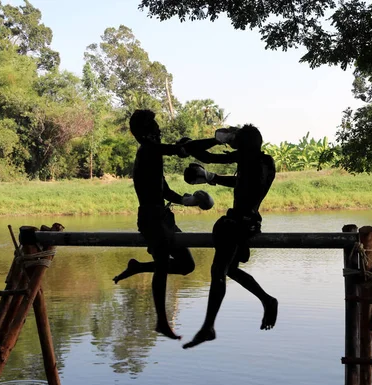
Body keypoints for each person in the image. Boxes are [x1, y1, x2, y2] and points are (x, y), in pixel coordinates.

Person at [112, 109, 216, 340]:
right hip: (150, 219)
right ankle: (161, 321)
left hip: (164, 217)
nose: (159, 131)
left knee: (187, 265)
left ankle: (138, 267)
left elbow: (165, 190)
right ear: (144, 134)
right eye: (154, 128)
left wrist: (188, 201)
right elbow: (180, 150)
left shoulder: (153, 153)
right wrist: (218, 140)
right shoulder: (148, 150)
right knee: (161, 264)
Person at [181, 124, 278, 349]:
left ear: (241, 146)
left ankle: (208, 327)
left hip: (238, 224)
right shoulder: (264, 162)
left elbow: (200, 153)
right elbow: (240, 183)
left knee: (218, 270)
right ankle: (267, 300)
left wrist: (217, 139)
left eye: (235, 143)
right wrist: (211, 177)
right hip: (251, 222)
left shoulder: (247, 161)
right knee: (229, 269)